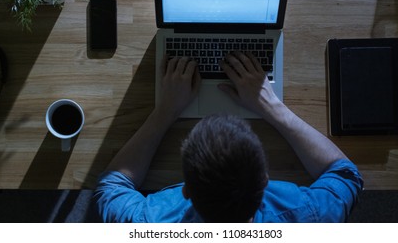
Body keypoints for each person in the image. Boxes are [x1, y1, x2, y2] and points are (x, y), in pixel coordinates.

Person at [94, 51, 363, 223]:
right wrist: (272, 107)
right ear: (265, 180)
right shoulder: (308, 216)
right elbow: (344, 174)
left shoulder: (149, 223)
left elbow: (111, 187)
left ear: (187, 190)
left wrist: (165, 111)